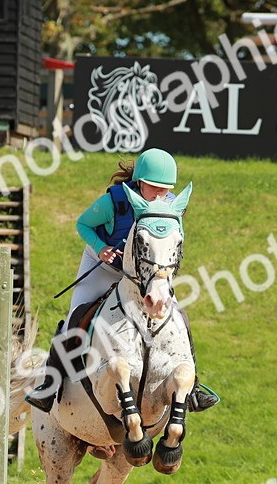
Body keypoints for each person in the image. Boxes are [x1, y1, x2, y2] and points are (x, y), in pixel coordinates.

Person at [27, 148, 219, 414]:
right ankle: (49, 386)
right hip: (104, 265)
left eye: (165, 190)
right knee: (76, 315)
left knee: (180, 318)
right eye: (154, 187)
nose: (159, 195)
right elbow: (82, 224)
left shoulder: (171, 207)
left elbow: (175, 244)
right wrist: (101, 248)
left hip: (146, 274)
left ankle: (193, 387)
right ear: (139, 181)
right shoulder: (113, 202)